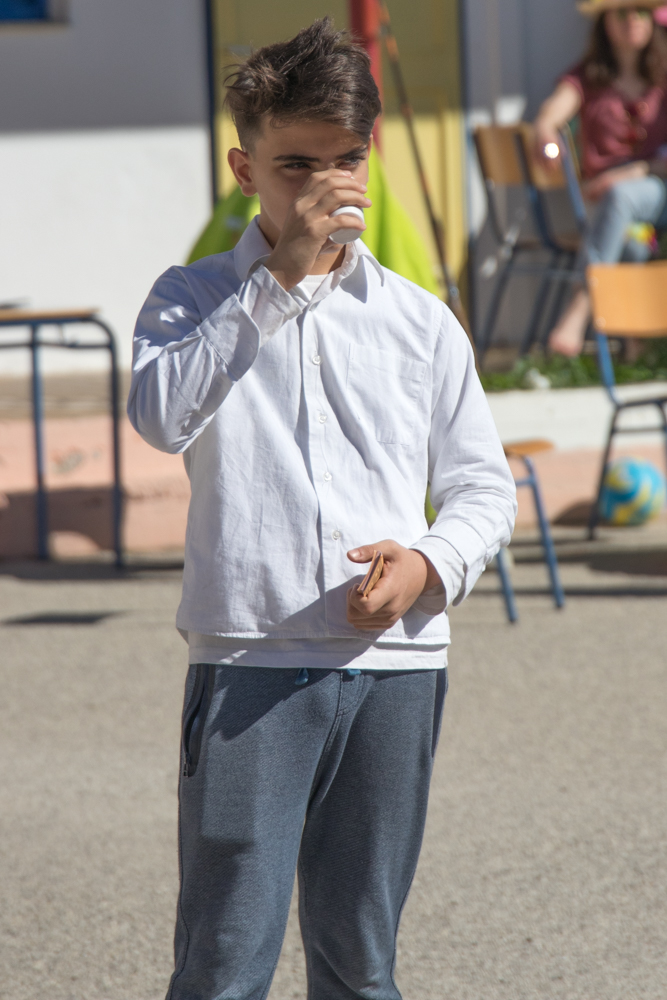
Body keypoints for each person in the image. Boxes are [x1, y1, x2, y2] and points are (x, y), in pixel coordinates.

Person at [128, 18, 516, 1000]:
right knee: (224, 963)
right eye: (294, 164)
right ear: (244, 169)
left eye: (343, 159)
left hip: (397, 669)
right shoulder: (190, 298)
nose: (323, 185)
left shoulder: (421, 321)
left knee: (360, 963)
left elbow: (482, 486)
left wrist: (428, 565)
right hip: (250, 661)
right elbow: (161, 418)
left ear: (368, 158)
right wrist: (271, 286)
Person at [534, 0, 667, 356]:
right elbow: (551, 114)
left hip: (656, 189)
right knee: (632, 244)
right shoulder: (588, 78)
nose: (632, 20)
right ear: (605, 21)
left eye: (641, 12)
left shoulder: (663, 78)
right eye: (622, 12)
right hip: (605, 203)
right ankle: (633, 345)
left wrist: (631, 172)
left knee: (622, 197)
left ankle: (579, 309)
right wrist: (545, 131)